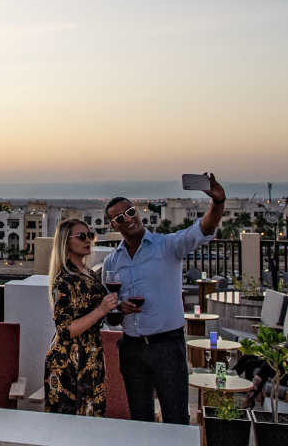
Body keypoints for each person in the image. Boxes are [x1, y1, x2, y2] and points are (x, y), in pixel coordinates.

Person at [102, 172, 225, 424]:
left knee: (176, 418)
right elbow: (110, 312)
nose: (128, 218)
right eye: (119, 218)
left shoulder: (167, 246)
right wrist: (120, 309)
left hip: (167, 346)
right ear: (114, 226)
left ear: (138, 213)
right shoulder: (112, 262)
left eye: (130, 212)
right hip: (131, 348)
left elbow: (202, 229)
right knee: (140, 419)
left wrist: (218, 202)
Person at [45, 218, 119, 416]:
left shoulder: (88, 274)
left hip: (91, 356)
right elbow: (65, 330)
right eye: (82, 236)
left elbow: (99, 309)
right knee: (69, 424)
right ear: (66, 242)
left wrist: (118, 308)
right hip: (69, 362)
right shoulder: (64, 280)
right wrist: (101, 310)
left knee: (92, 418)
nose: (88, 240)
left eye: (90, 236)